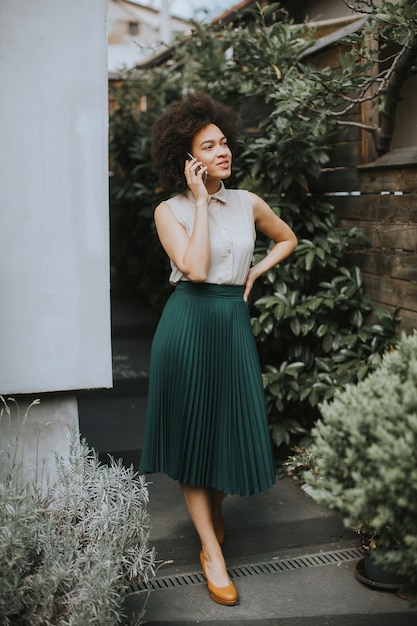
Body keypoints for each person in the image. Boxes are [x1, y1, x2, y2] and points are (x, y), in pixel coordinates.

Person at [139, 93, 297, 606]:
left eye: (224, 141)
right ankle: (211, 551)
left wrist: (256, 269)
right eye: (208, 146)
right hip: (188, 325)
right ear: (187, 161)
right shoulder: (170, 211)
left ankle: (214, 508)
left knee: (230, 425)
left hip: (230, 323)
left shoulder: (248, 201)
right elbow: (197, 269)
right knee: (192, 437)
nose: (223, 151)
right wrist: (203, 202)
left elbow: (287, 238)